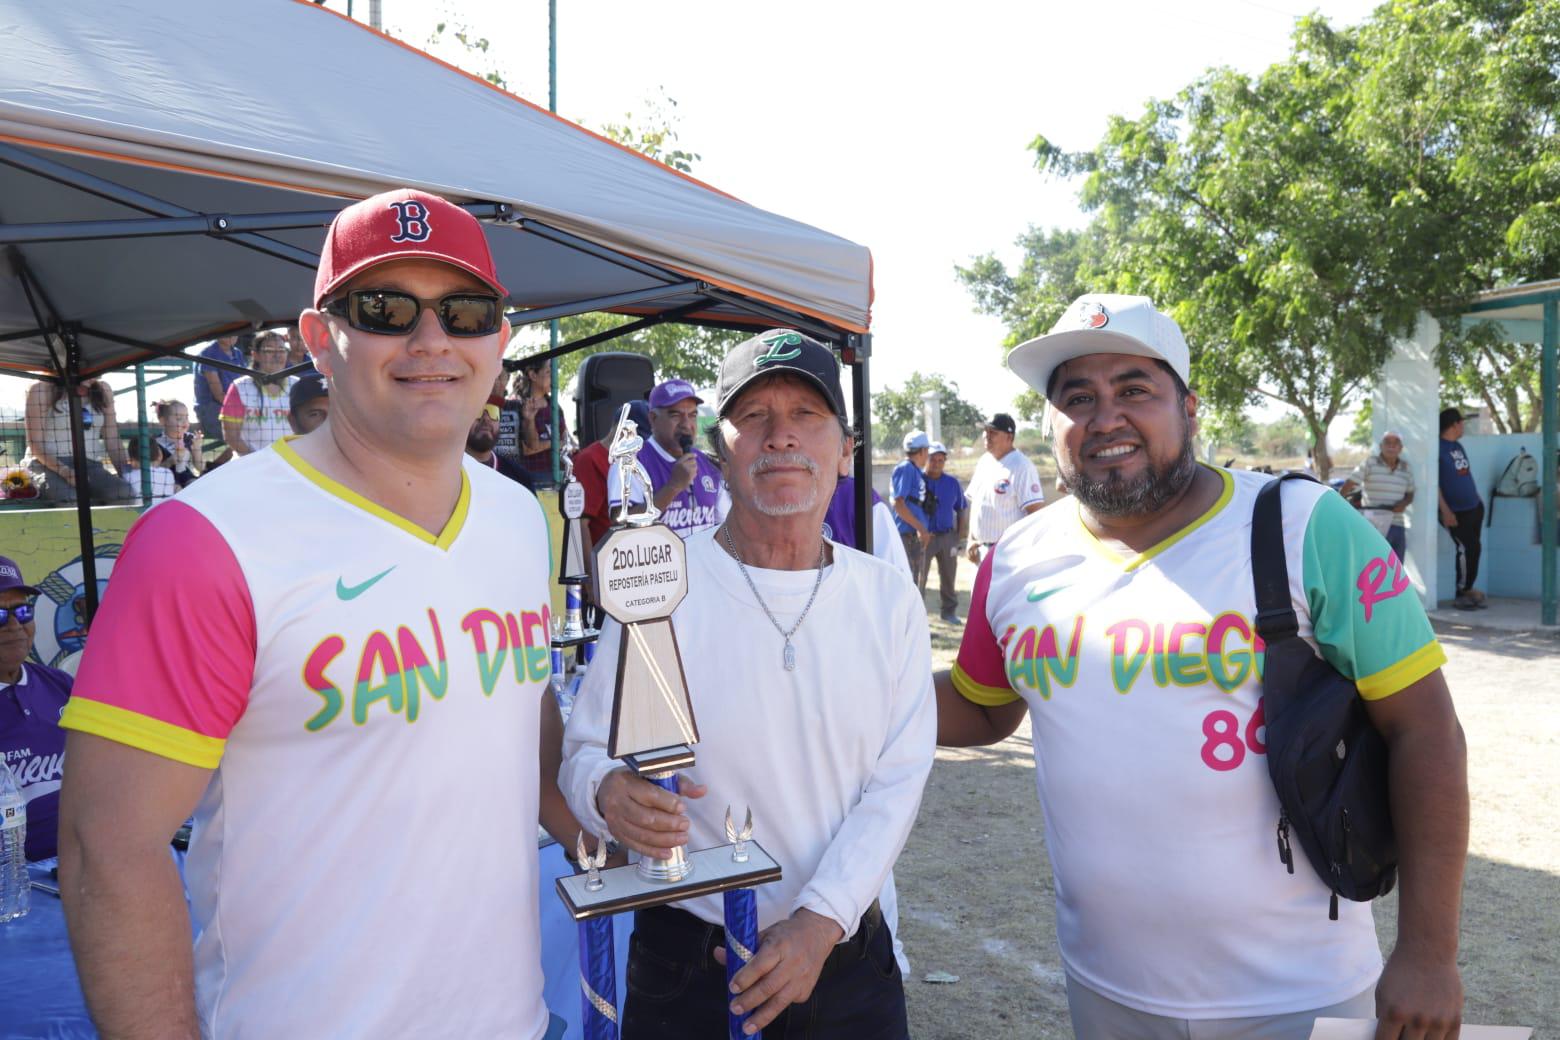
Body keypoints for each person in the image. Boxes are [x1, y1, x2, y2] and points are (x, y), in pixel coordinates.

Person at [57, 188, 558, 1039]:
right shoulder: (203, 540)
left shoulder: (515, 516)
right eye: (385, 308)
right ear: (321, 340)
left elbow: (516, 701)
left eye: (465, 312)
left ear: (499, 342)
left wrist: (595, 808)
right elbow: (107, 848)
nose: (431, 339)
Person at [936, 293, 1468, 1039]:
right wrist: (839, 690)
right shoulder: (1016, 559)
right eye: (1077, 397)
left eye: (1134, 389)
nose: (1105, 416)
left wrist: (1429, 953)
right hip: (1106, 987)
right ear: (1052, 425)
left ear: (1189, 409)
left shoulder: (1306, 526)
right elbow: (984, 706)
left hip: (1301, 993)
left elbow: (1427, 733)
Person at [562, 329, 935, 1039]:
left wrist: (820, 921)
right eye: (755, 417)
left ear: (844, 450)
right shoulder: (659, 584)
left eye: (806, 416)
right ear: (715, 451)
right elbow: (585, 751)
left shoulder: (887, 599)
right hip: (688, 969)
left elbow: (899, 781)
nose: (781, 438)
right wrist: (610, 794)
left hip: (845, 962)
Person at [0, 557, 71, 862]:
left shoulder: (61, 685)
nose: (15, 626)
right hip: (19, 885)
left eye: (23, 611)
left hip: (91, 856)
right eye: (0, 616)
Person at [22, 377, 135, 503]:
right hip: (47, 465)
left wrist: (128, 475)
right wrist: (65, 472)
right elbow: (35, 445)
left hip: (91, 466)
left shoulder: (103, 390)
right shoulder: (40, 389)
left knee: (124, 492)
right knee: (69, 499)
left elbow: (112, 439)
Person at [638, 378, 724, 538]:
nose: (686, 424)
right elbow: (623, 526)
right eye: (675, 415)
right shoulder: (633, 463)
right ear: (653, 418)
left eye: (692, 415)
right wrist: (673, 486)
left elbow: (724, 524)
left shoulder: (707, 464)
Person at [964, 412, 1044, 563]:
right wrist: (970, 539)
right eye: (985, 431)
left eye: (993, 432)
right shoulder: (984, 461)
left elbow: (1035, 513)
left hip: (1009, 552)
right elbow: (975, 505)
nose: (987, 436)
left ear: (1009, 437)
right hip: (980, 549)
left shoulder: (1022, 466)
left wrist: (1025, 550)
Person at [575, 399, 652, 547]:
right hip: (606, 557)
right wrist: (591, 570)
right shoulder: (590, 460)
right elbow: (581, 525)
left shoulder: (634, 459)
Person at [1438, 408, 1486, 610]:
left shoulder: (1457, 446)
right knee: (1468, 548)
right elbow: (1435, 484)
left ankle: (1467, 589)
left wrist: (1477, 499)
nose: (1463, 426)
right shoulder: (1437, 448)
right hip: (1455, 512)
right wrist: (1445, 510)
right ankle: (1463, 590)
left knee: (1472, 550)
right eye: (1461, 423)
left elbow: (1464, 475)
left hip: (1474, 507)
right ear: (1454, 424)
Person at [1341, 431, 1414, 561]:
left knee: (1396, 568)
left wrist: (1404, 504)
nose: (1391, 446)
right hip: (1373, 525)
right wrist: (1339, 505)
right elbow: (1349, 484)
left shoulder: (1405, 468)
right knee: (1372, 566)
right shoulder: (1370, 463)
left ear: (1400, 448)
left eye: (1395, 443)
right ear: (1381, 446)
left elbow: (1410, 493)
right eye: (1387, 443)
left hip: (1397, 523)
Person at [219, 331, 295, 456]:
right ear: (256, 355)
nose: (277, 355)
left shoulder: (298, 385)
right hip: (251, 463)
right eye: (269, 350)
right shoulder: (240, 387)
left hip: (292, 462)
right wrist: (257, 460)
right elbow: (231, 436)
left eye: (282, 350)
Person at [920, 442, 968, 624]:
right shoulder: (918, 480)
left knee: (949, 576)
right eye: (933, 459)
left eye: (941, 460)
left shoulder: (952, 483)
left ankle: (949, 612)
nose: (937, 463)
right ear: (926, 459)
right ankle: (918, 615)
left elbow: (961, 508)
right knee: (919, 578)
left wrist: (961, 535)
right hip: (924, 537)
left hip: (948, 537)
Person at [515, 356, 570, 480]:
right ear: (533, 375)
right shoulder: (520, 407)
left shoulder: (555, 407)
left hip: (557, 478)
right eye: (548, 372)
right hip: (533, 479)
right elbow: (530, 448)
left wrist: (547, 445)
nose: (554, 377)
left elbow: (566, 441)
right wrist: (557, 444)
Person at [193, 334, 245, 460]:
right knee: (216, 459)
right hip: (212, 412)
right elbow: (218, 394)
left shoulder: (238, 353)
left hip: (235, 410)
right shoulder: (208, 353)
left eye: (236, 332)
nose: (232, 335)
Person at [891, 430, 933, 581]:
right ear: (922, 450)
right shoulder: (906, 468)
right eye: (927, 450)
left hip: (913, 535)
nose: (928, 454)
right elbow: (899, 504)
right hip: (907, 535)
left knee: (916, 579)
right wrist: (920, 528)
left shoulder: (915, 470)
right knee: (909, 582)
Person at [467, 402, 535, 488]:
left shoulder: (519, 477)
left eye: (493, 412)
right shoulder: (447, 472)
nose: (486, 418)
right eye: (478, 411)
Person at [154, 400, 203, 488]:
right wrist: (170, 461)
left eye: (187, 417)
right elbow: (154, 470)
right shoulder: (156, 442)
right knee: (177, 488)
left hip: (187, 477)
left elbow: (200, 467)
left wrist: (197, 449)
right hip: (166, 480)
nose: (185, 422)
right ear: (163, 421)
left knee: (195, 485)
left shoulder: (190, 438)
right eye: (179, 418)